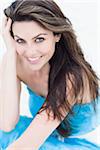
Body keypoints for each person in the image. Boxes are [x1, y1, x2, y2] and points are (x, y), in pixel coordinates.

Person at [0, 0, 100, 149]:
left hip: (70, 144)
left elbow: (26, 146)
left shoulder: (72, 78)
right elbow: (7, 125)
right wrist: (10, 53)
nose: (30, 52)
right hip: (39, 133)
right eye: (20, 40)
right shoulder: (17, 61)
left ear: (57, 35)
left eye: (39, 39)